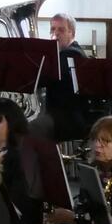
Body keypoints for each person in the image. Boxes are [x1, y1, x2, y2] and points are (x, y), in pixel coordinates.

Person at [32, 12, 87, 142]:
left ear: (72, 33)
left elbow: (42, 80)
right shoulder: (59, 55)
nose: (55, 33)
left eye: (61, 30)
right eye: (53, 29)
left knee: (29, 129)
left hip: (68, 117)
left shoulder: (71, 54)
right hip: (58, 115)